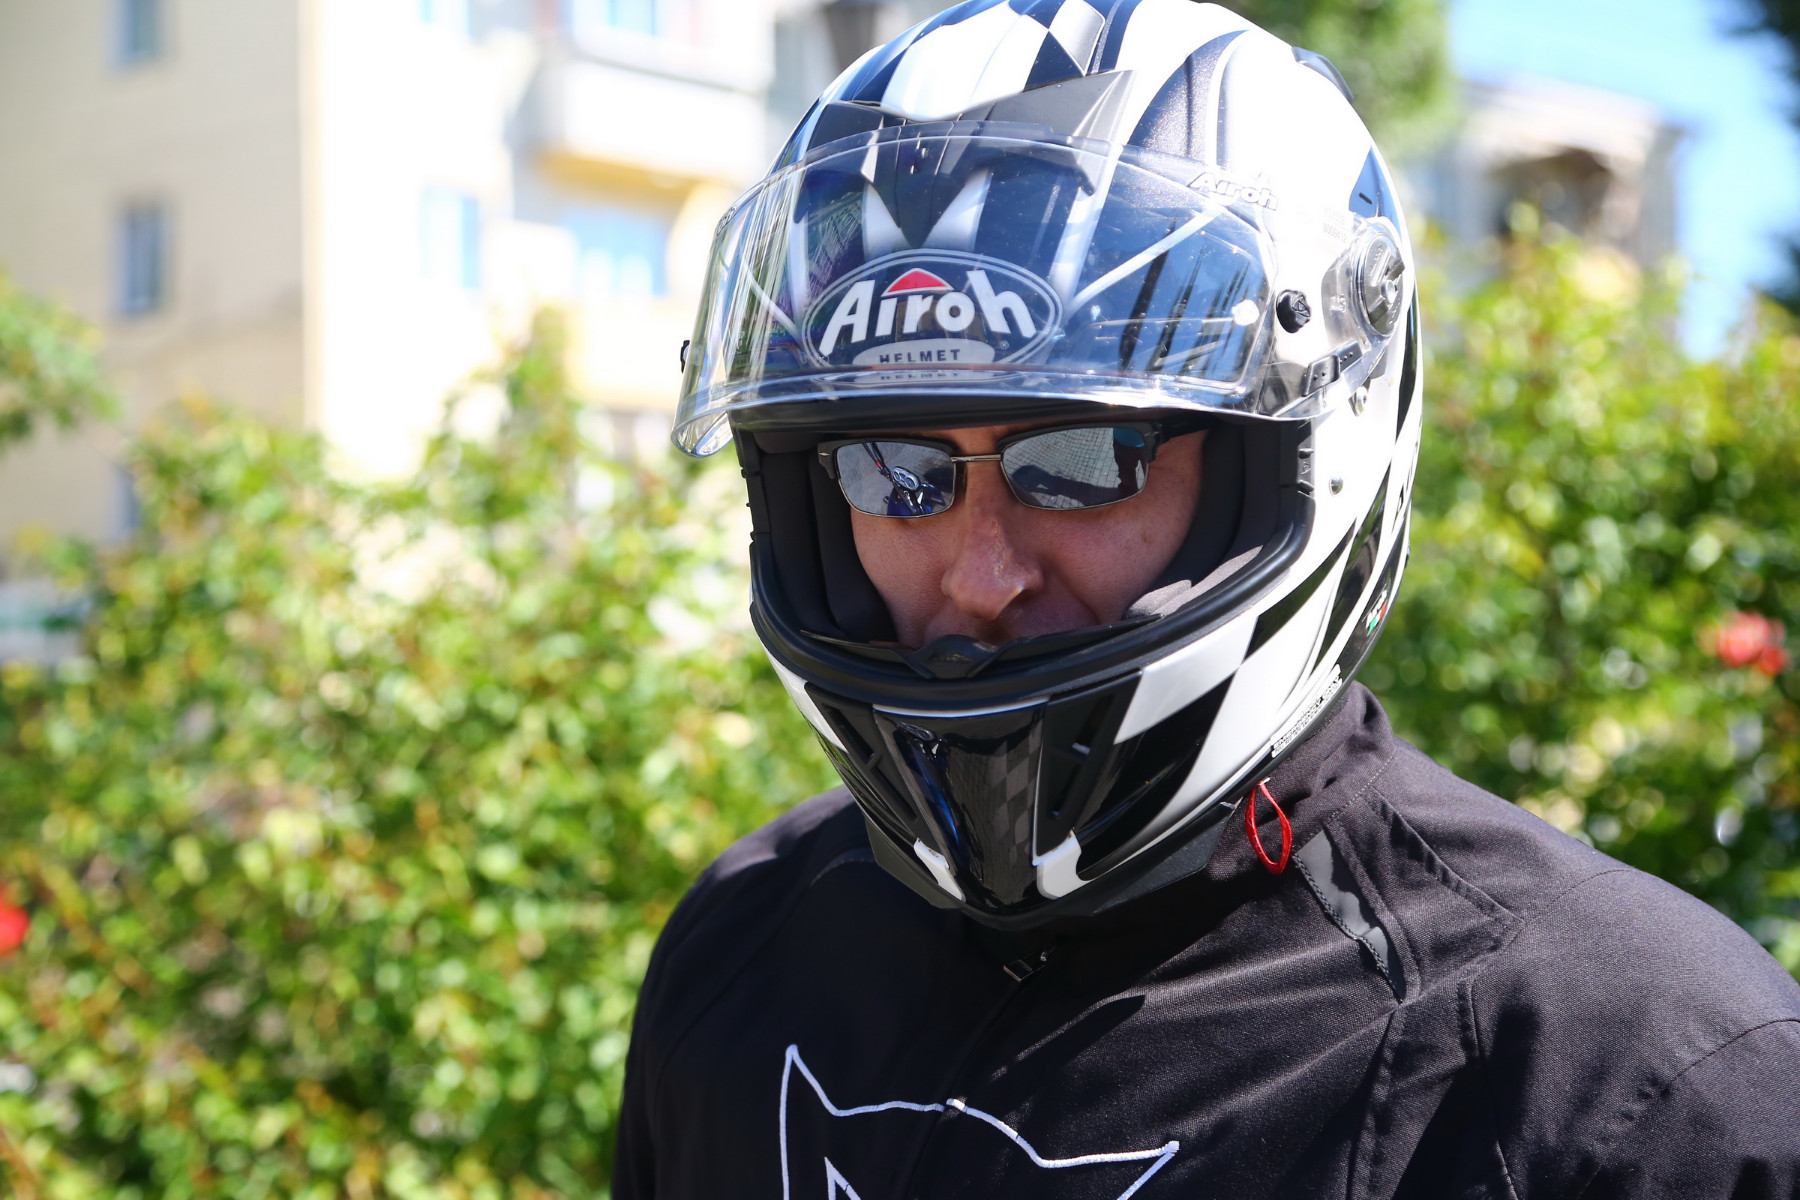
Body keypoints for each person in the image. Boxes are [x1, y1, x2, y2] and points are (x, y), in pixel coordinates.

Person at [615, 2, 1800, 1195]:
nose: (982, 577)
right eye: (892, 471)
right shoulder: (745, 944)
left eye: (1084, 461)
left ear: (1296, 457)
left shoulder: (1626, 1082)